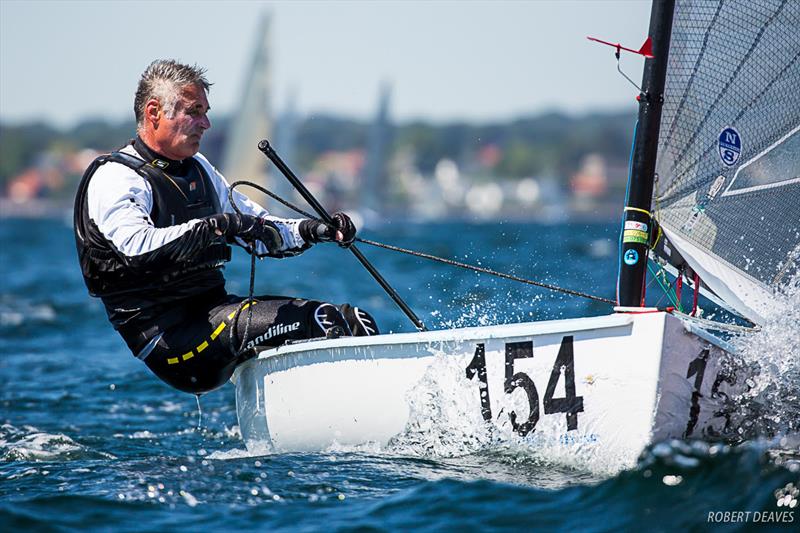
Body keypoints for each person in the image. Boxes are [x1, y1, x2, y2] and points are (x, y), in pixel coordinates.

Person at [74, 59, 379, 394]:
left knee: (351, 319)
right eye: (194, 111)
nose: (206, 123)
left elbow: (260, 229)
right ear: (154, 112)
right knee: (321, 321)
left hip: (216, 314)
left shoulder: (198, 168)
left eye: (206, 111)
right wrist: (215, 226)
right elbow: (138, 249)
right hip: (171, 343)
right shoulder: (115, 177)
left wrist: (316, 229)